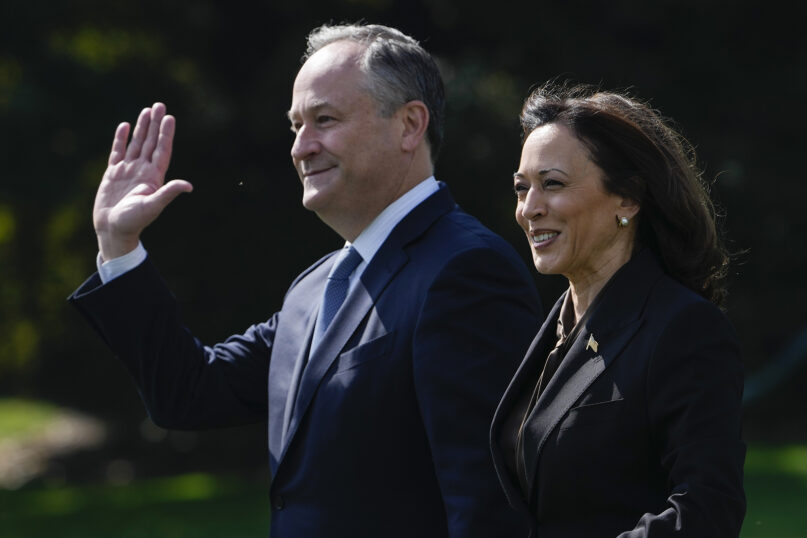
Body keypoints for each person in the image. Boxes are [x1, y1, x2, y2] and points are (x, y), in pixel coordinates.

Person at [69, 23, 542, 538]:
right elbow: (189, 393)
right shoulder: (314, 287)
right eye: (295, 125)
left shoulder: (466, 271)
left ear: (409, 125)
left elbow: (487, 509)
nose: (301, 147)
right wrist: (119, 247)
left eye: (324, 120)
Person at [489, 83, 746, 537]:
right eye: (521, 188)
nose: (530, 208)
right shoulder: (554, 330)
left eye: (552, 184)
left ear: (627, 199)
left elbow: (707, 509)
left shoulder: (684, 327)